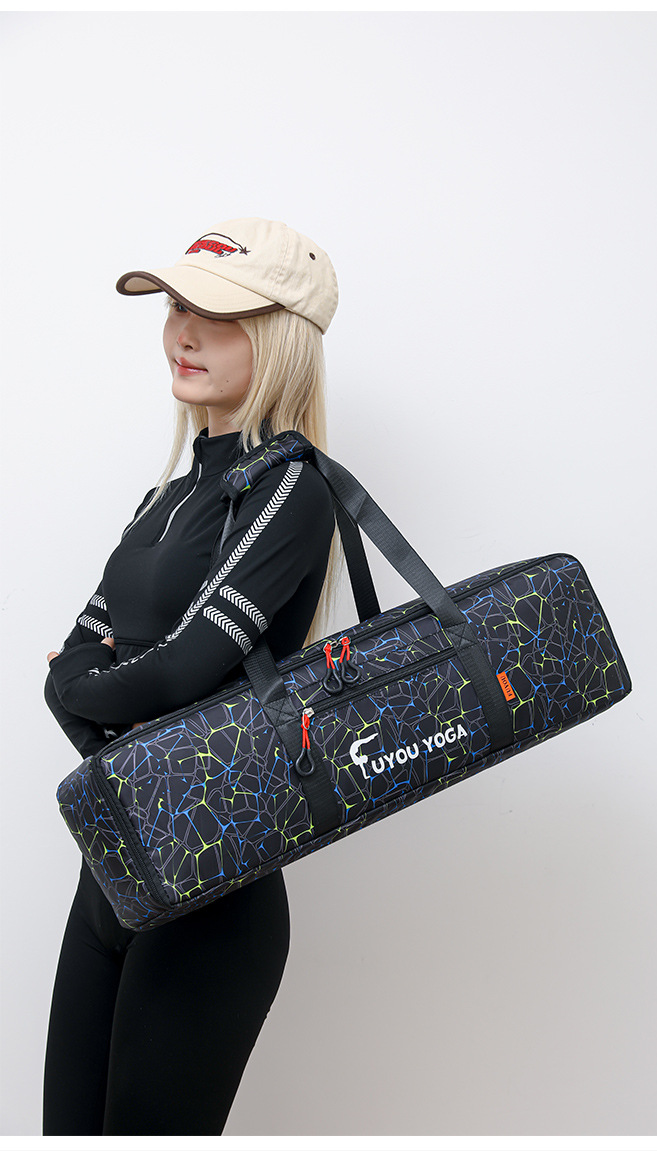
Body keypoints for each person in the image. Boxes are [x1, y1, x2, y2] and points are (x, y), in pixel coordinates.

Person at [43, 217, 341, 1136]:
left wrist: (92, 687)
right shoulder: (163, 500)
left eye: (218, 314)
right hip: (113, 870)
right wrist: (98, 687)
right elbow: (79, 666)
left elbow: (172, 673)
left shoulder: (292, 487)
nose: (183, 331)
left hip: (215, 884)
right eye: (176, 306)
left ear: (280, 333)